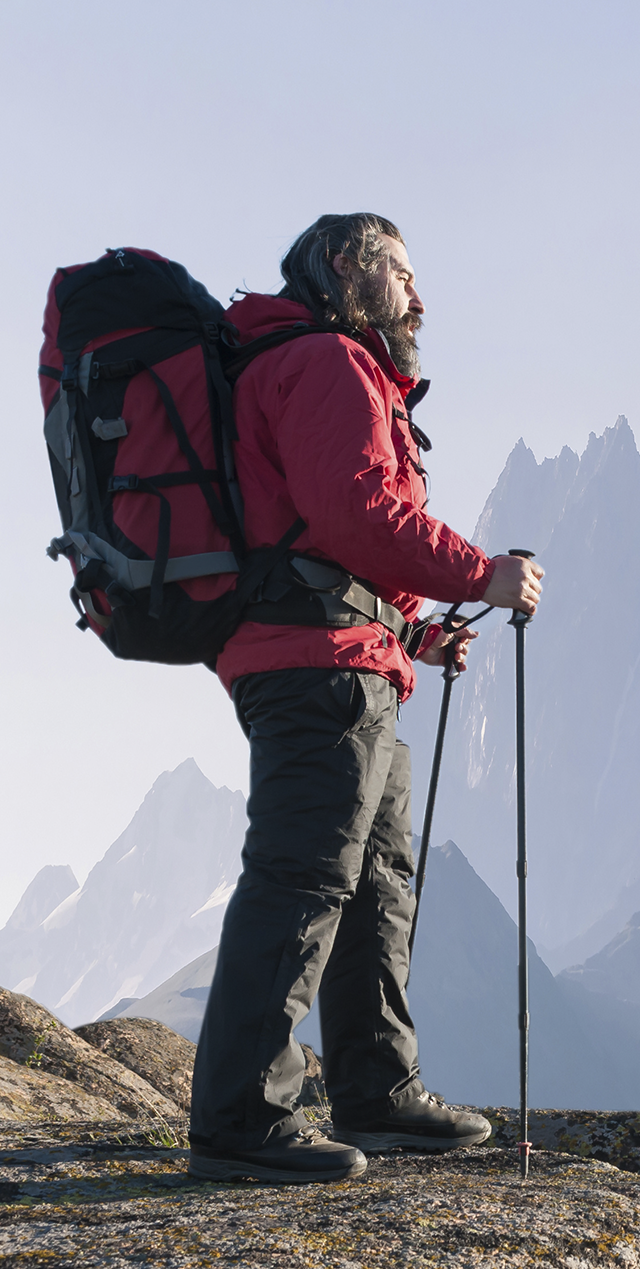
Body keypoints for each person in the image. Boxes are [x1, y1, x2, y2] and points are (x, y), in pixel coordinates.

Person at [186, 212, 543, 1183]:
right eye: (404, 273)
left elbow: (326, 533)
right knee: (304, 876)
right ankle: (241, 1117)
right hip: (315, 662)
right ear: (346, 263)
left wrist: (420, 632)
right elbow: (359, 510)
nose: (420, 298)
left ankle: (378, 1091)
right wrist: (484, 575)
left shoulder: (314, 364)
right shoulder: (329, 363)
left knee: (377, 881)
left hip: (343, 651)